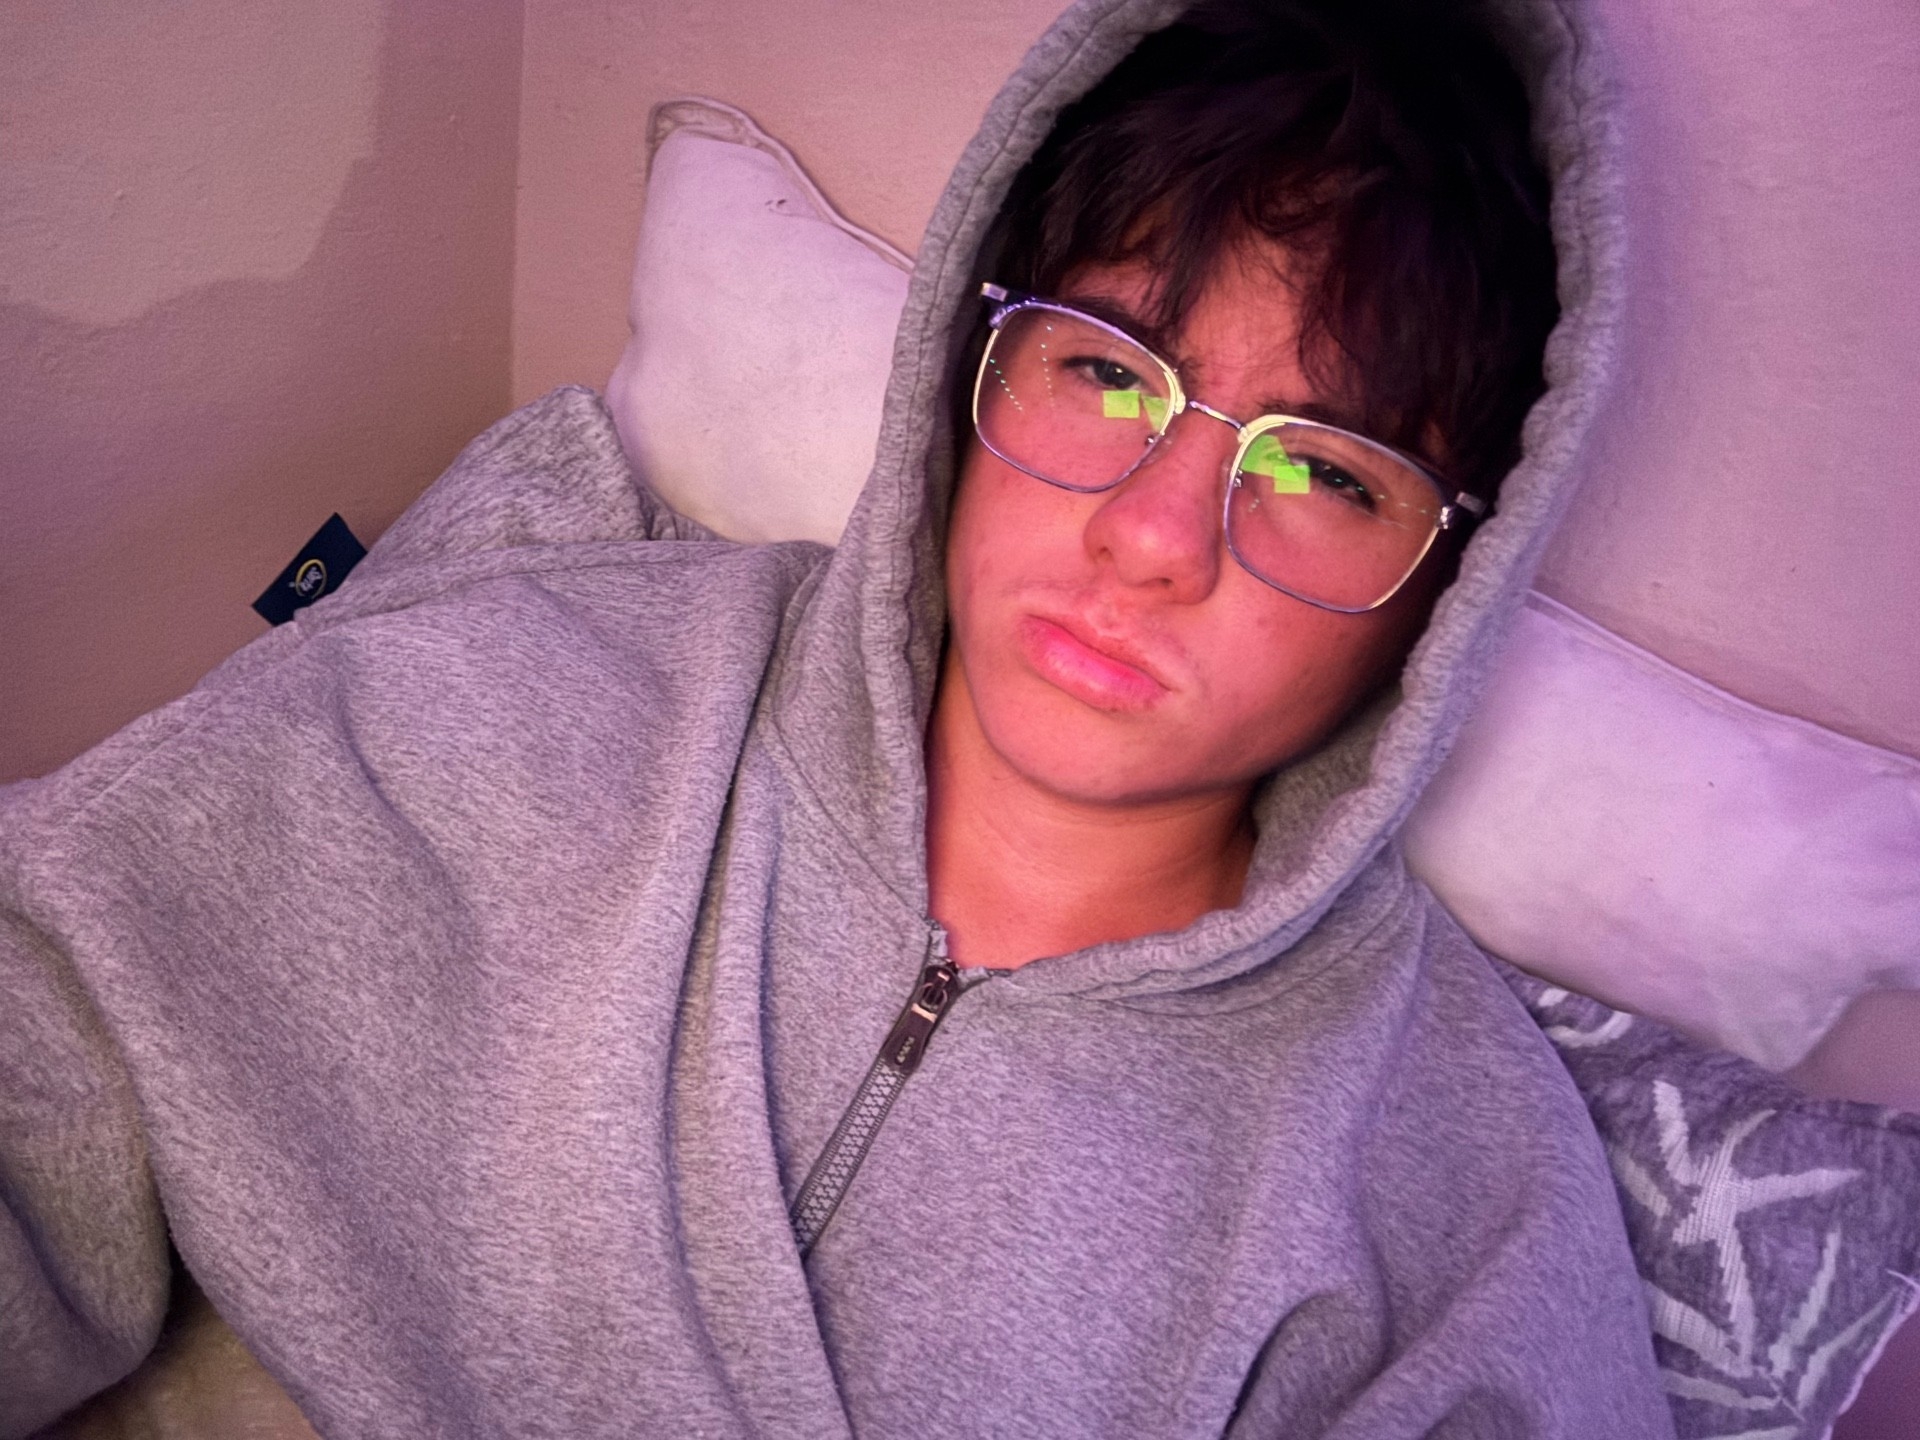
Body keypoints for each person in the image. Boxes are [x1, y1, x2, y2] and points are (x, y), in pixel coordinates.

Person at [0, 0, 1677, 1436]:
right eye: (1107, 370)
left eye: (1322, 472)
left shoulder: (1459, 1209)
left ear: (1452, 586)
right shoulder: (515, 682)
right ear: (969, 364)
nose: (1154, 539)